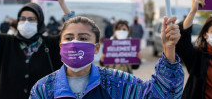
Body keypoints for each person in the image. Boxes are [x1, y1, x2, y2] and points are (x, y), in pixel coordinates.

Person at [30, 16, 184, 99]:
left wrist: (168, 49)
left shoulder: (117, 83)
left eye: (83, 38)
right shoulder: (44, 89)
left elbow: (161, 95)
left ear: (97, 47)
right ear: (60, 45)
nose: (75, 43)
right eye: (69, 38)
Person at [0, 0, 75, 99]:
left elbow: (76, 36)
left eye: (31, 19)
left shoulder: (52, 44)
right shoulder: (5, 43)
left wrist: (62, 4)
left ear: (39, 22)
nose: (26, 22)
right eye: (22, 18)